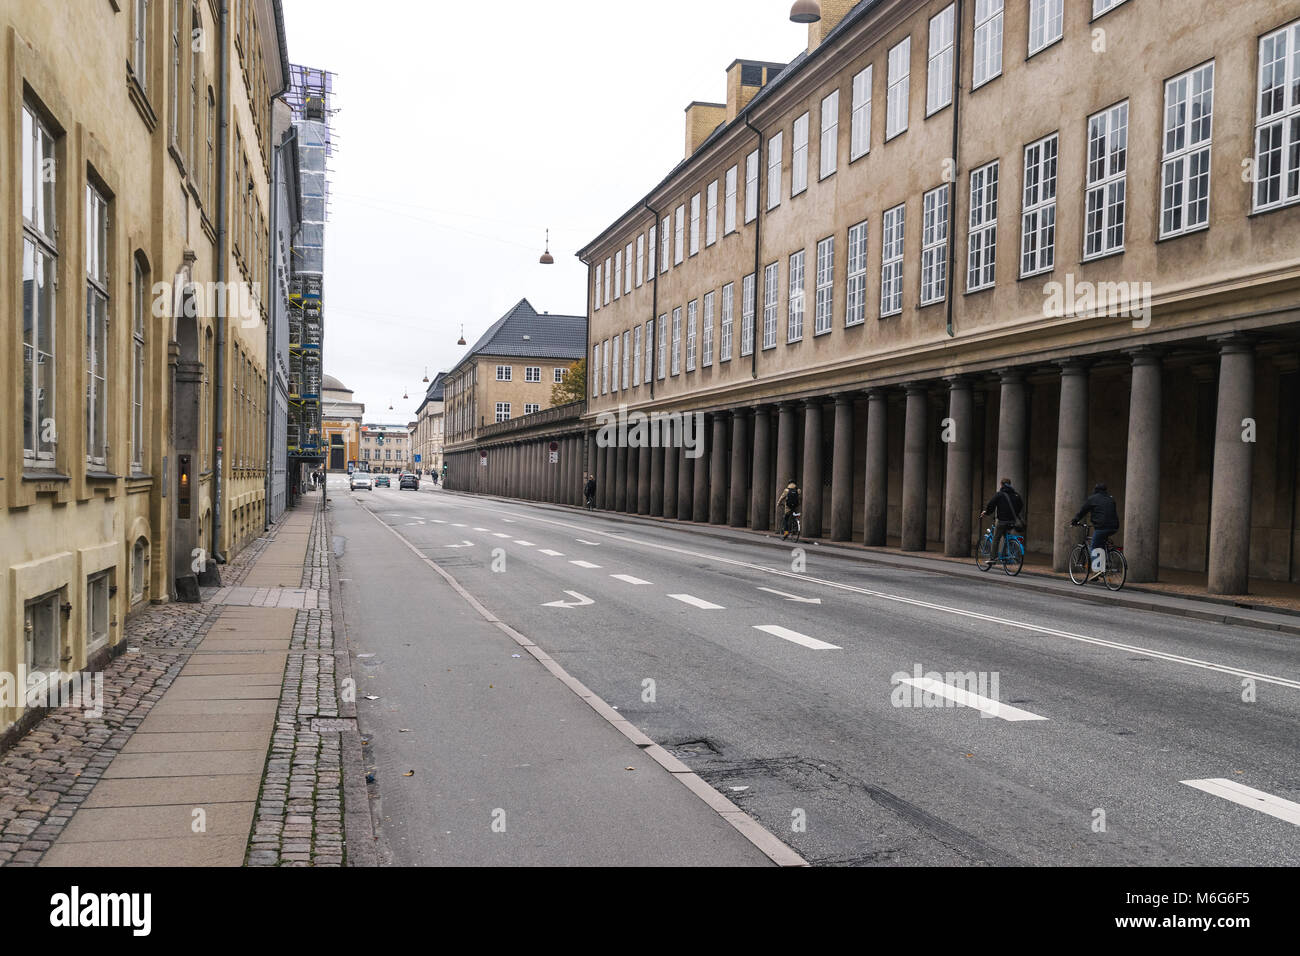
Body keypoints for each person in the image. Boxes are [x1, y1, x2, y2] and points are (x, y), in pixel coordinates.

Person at [1072, 482, 1120, 575]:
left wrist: (1075, 520)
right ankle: (1104, 561)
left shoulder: (1093, 499)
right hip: (1114, 527)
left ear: (1095, 490)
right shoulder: (1111, 499)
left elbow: (1083, 511)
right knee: (1101, 544)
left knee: (1094, 546)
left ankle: (1097, 571)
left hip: (1102, 527)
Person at [979, 478, 1025, 562]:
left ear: (1001, 485)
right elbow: (1020, 505)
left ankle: (993, 558)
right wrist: (1013, 514)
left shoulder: (999, 494)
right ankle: (1005, 556)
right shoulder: (1016, 495)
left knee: (996, 539)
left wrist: (986, 512)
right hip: (1012, 521)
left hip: (1002, 521)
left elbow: (991, 505)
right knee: (1006, 537)